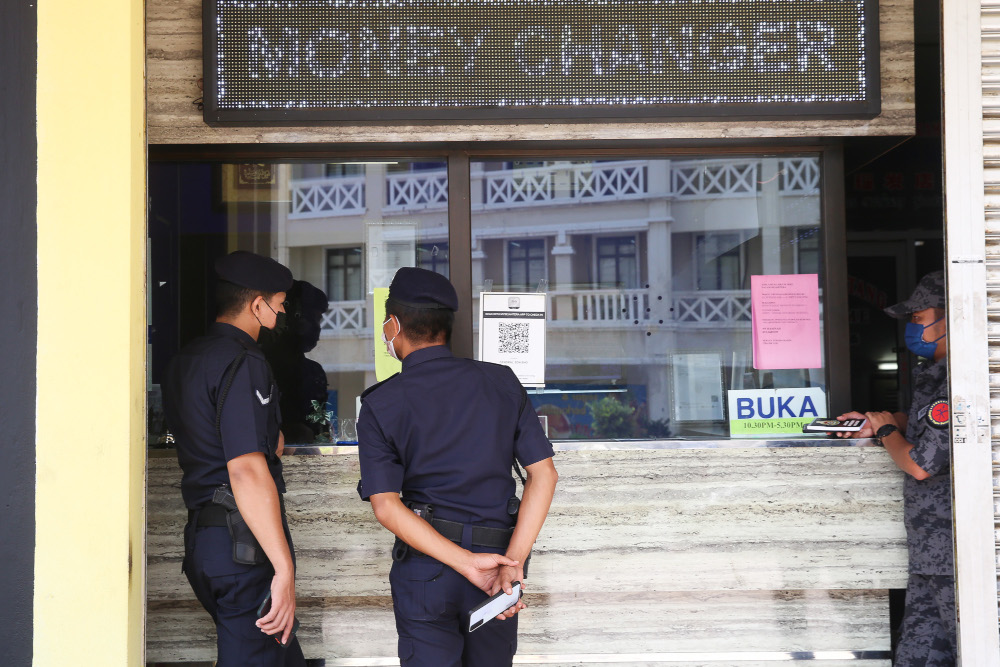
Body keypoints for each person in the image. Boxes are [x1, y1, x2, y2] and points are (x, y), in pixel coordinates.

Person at [356, 267, 559, 667]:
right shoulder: (501, 382)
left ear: (393, 325)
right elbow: (544, 474)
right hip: (499, 565)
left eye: (385, 323)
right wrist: (512, 565)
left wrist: (465, 564)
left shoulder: (381, 403)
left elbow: (386, 505)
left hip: (427, 569)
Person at [162, 250, 306, 666]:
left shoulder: (185, 361)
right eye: (278, 305)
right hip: (242, 547)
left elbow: (218, 434)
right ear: (256, 305)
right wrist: (284, 569)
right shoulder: (243, 362)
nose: (281, 314)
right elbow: (245, 468)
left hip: (205, 543)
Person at [835, 270, 953, 665]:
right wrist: (883, 420)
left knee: (972, 649)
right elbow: (926, 423)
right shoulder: (935, 378)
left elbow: (920, 465)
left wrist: (885, 431)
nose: (912, 328)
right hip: (929, 557)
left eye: (918, 319)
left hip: (954, 558)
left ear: (949, 319)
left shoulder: (957, 381)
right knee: (916, 656)